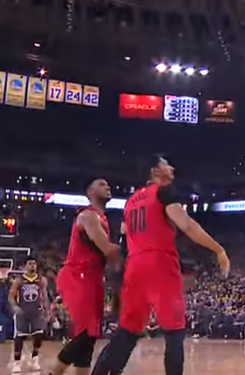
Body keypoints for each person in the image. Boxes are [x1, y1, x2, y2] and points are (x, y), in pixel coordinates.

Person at [90, 156, 230, 375]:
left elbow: (124, 241)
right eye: (166, 164)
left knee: (127, 331)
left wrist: (120, 275)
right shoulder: (164, 192)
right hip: (160, 264)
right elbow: (188, 225)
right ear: (155, 171)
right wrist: (218, 249)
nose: (171, 167)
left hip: (134, 266)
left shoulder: (130, 201)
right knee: (174, 332)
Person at [49, 178, 121, 375]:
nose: (107, 186)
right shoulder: (88, 215)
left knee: (90, 338)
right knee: (84, 334)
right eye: (101, 184)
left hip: (93, 278)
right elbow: (107, 249)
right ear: (89, 192)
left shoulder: (103, 219)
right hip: (77, 275)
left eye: (108, 184)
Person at [9, 257, 49, 373]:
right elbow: (11, 295)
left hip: (36, 312)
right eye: (30, 263)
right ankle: (17, 362)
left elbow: (44, 295)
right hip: (23, 312)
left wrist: (47, 309)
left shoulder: (41, 280)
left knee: (39, 335)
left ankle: (35, 358)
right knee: (19, 337)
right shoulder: (19, 280)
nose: (32, 265)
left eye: (34, 263)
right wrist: (15, 307)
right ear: (25, 266)